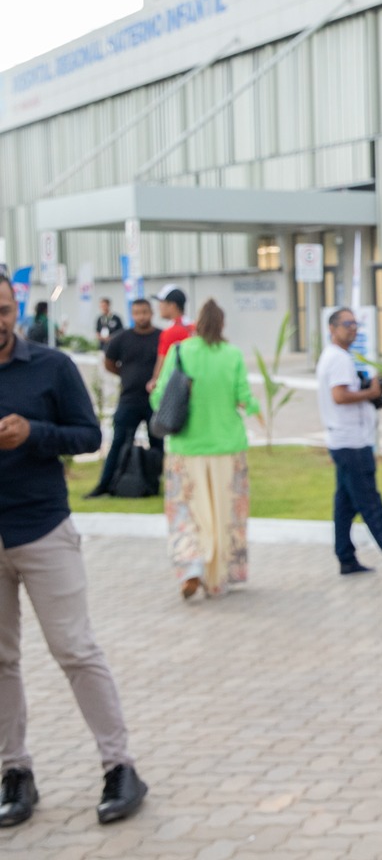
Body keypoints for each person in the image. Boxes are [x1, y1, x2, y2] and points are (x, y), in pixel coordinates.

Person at [0, 274, 149, 827]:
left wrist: (33, 433)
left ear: (14, 308)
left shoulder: (51, 367)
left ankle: (120, 767)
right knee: (1, 661)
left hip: (42, 531)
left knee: (76, 650)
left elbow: (88, 436)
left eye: (2, 308)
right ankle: (14, 772)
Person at [150, 300, 259, 600]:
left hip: (186, 447)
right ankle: (219, 578)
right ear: (222, 325)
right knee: (225, 514)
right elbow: (243, 397)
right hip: (228, 446)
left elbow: (159, 396)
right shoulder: (232, 354)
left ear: (195, 324)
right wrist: (255, 409)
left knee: (186, 511)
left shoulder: (181, 351)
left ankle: (191, 566)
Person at [316, 308, 382, 578]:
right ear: (332, 328)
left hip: (344, 440)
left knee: (344, 504)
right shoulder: (339, 359)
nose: (353, 328)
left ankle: (346, 557)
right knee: (370, 504)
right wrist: (371, 392)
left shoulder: (335, 357)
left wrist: (370, 397)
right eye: (347, 324)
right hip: (352, 443)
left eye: (355, 324)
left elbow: (345, 394)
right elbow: (340, 396)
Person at [87, 298, 162, 498]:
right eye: (137, 313)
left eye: (145, 312)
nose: (141, 316)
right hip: (129, 399)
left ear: (151, 313)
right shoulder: (121, 338)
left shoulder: (161, 337)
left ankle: (156, 485)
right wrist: (126, 375)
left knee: (158, 445)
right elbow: (109, 362)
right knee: (118, 442)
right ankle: (105, 484)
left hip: (154, 401)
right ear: (132, 314)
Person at [147, 284, 192, 392]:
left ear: (172, 305)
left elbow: (162, 362)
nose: (159, 307)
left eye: (161, 303)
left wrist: (154, 381)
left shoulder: (171, 332)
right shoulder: (194, 326)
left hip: (176, 387)